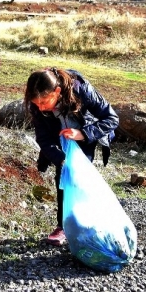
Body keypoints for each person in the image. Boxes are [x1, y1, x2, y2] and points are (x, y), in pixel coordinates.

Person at [24, 68, 119, 246]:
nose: (41, 107)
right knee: (63, 176)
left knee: (81, 180)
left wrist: (83, 133)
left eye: (45, 102)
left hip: (85, 135)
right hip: (59, 139)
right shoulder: (36, 104)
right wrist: (60, 158)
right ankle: (64, 227)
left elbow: (111, 119)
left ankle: (87, 224)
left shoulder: (81, 89)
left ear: (57, 91)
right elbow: (43, 138)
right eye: (37, 104)